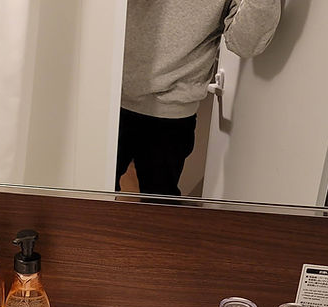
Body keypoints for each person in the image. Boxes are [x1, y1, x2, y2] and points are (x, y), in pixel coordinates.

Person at [117, 0, 282, 195]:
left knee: (159, 208)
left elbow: (244, 45)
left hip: (172, 111)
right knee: (85, 193)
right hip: (104, 92)